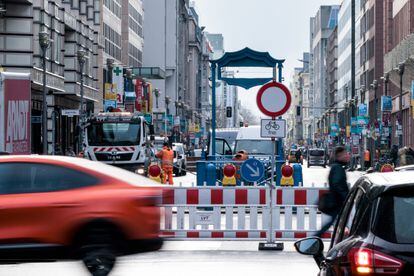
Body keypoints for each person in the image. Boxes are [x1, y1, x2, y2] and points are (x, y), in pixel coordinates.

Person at [316, 146, 350, 237]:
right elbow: (337, 184)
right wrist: (346, 196)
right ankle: (315, 238)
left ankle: (316, 237)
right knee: (340, 221)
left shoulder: (337, 167)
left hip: (337, 200)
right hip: (337, 201)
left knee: (335, 222)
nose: (347, 156)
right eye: (345, 154)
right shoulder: (338, 168)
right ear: (339, 156)